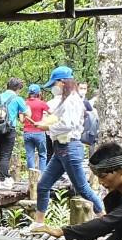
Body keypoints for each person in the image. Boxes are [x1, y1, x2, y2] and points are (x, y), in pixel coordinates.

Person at [32, 66, 105, 226]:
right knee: (43, 185)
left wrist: (47, 127)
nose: (53, 88)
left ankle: (105, 220)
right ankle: (38, 223)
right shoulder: (65, 100)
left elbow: (69, 124)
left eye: (54, 84)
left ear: (63, 82)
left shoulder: (73, 100)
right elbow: (56, 116)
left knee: (83, 188)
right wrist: (42, 123)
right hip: (60, 149)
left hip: (70, 148)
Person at [0, 78, 26, 189]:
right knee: (5, 155)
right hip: (9, 129)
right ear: (18, 89)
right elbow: (27, 112)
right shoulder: (17, 99)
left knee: (1, 154)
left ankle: (7, 177)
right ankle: (0, 180)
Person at [21, 83, 50, 171]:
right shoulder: (42, 103)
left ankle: (32, 176)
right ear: (39, 93)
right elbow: (51, 113)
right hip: (39, 132)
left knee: (30, 155)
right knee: (42, 155)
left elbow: (22, 120)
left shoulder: (24, 104)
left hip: (27, 132)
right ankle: (42, 176)